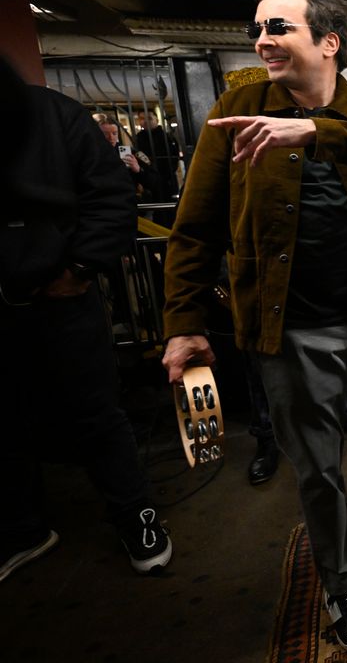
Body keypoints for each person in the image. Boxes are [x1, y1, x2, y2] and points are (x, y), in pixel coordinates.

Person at [160, 0, 347, 657]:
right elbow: (194, 229)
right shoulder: (238, 105)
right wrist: (183, 321)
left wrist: (316, 132)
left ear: (330, 43)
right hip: (289, 327)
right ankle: (345, 583)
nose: (262, 41)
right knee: (316, 466)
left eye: (277, 27)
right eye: (257, 29)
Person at [1, 57, 172, 583]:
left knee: (96, 413)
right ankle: (23, 529)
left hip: (59, 298)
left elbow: (111, 196)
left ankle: (135, 514)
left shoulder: (55, 117)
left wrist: (79, 268)